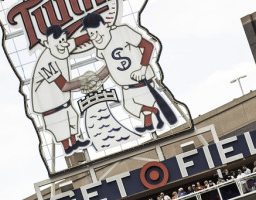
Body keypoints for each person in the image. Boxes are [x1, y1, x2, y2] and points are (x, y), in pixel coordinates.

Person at [82, 13, 175, 133]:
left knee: (140, 103)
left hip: (142, 82)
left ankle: (152, 117)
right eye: (91, 34)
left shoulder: (122, 32)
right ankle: (151, 120)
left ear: (105, 26)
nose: (96, 36)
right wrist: (95, 80)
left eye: (97, 31)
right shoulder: (101, 48)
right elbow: (110, 67)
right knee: (129, 106)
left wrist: (142, 69)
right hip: (126, 87)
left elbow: (148, 46)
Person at [30, 25, 90, 155]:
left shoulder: (60, 47)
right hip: (50, 106)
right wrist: (85, 81)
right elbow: (64, 86)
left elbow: (77, 41)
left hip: (63, 102)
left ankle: (74, 142)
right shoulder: (45, 61)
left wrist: (94, 31)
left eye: (64, 40)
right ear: (47, 43)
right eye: (59, 41)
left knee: (72, 118)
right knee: (61, 128)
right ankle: (67, 147)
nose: (63, 44)